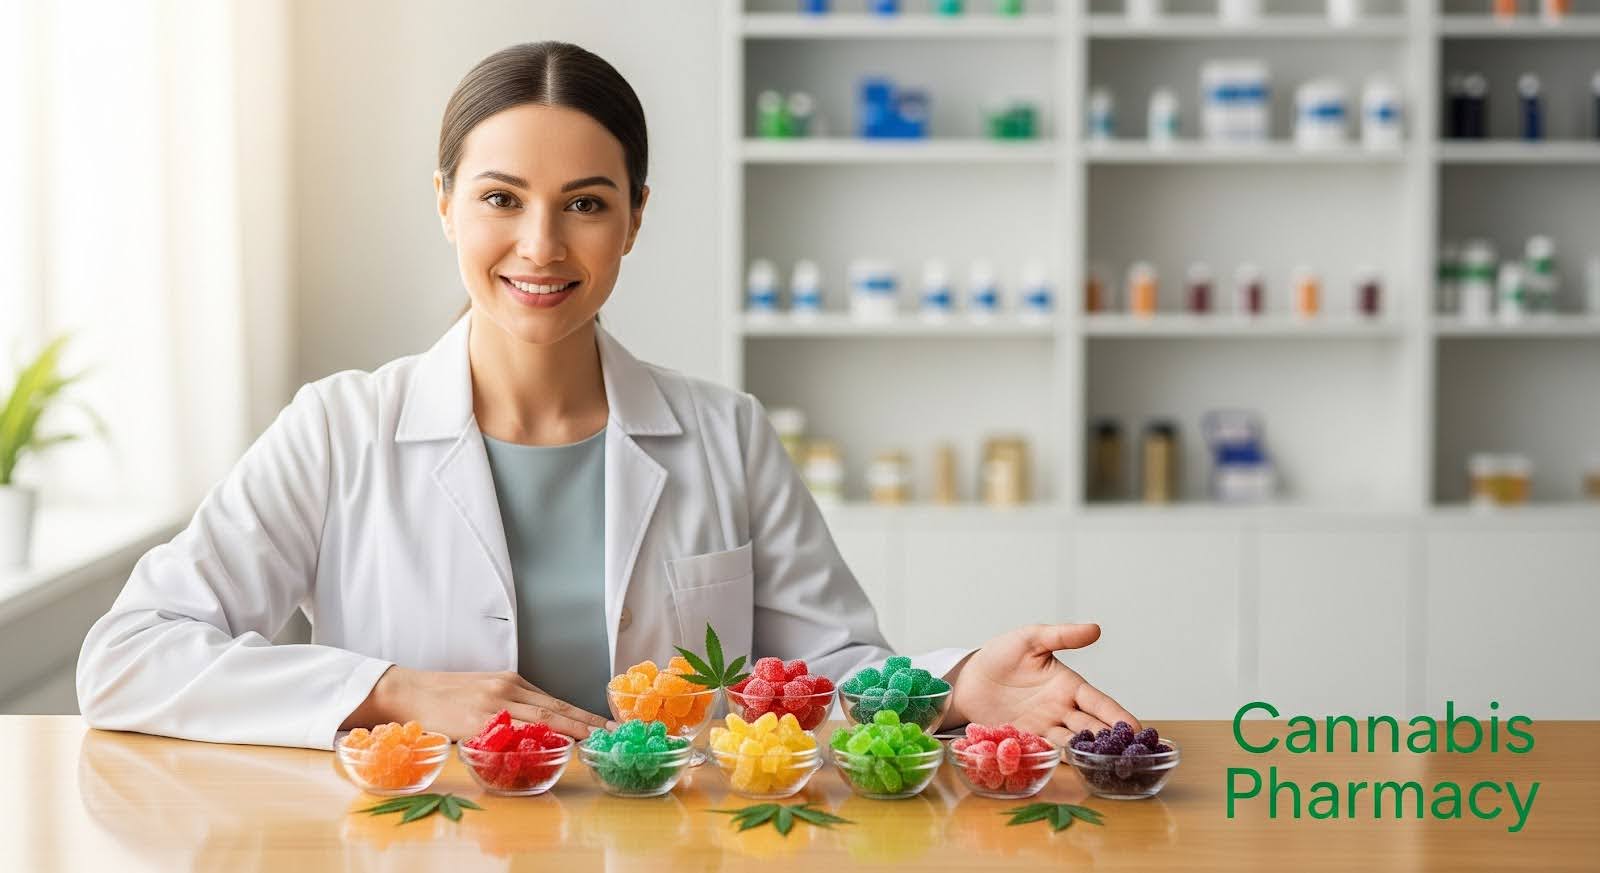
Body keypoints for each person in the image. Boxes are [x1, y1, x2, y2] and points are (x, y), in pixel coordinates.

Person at [76, 42, 1137, 751]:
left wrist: (952, 690)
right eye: (501, 199)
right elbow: (127, 659)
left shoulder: (723, 433)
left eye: (585, 203)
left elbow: (827, 673)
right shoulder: (341, 429)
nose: (540, 246)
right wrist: (393, 689)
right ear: (445, 207)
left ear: (633, 218)